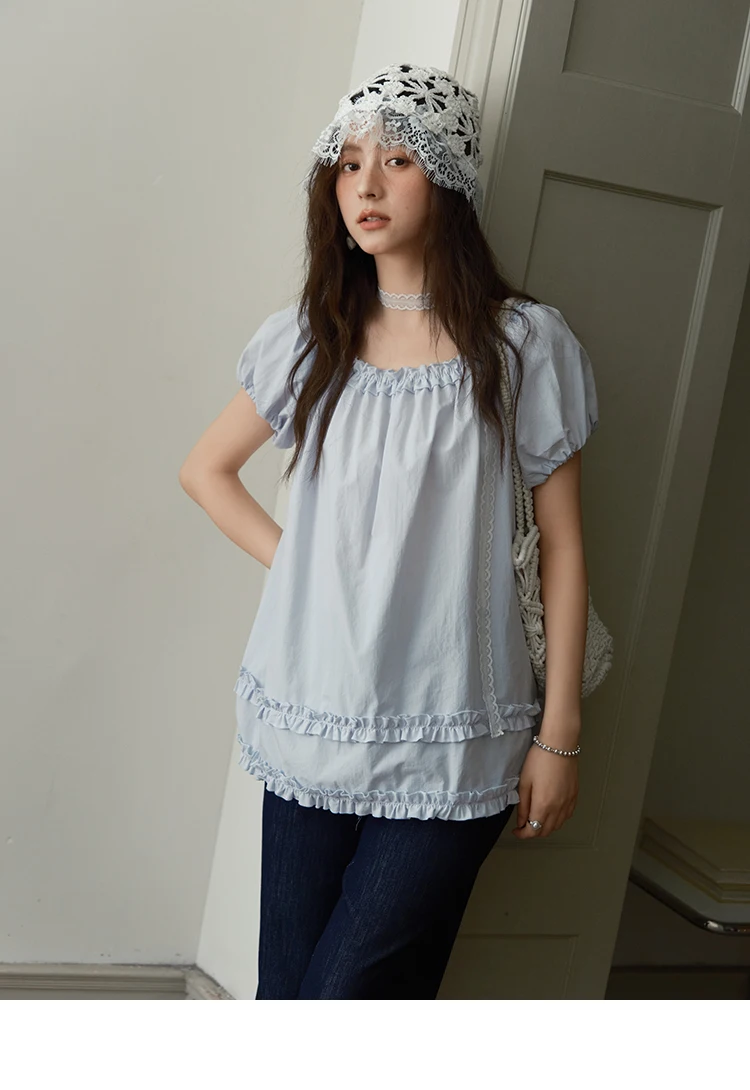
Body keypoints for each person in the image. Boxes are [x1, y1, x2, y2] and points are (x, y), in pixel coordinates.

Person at [179, 62, 600, 1000]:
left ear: (449, 180)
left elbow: (565, 546)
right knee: (288, 997)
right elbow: (205, 471)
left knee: (343, 998)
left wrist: (560, 734)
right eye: (348, 164)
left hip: (458, 728)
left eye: (399, 160)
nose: (366, 184)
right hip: (312, 716)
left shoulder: (523, 347)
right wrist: (308, 571)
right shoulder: (310, 338)